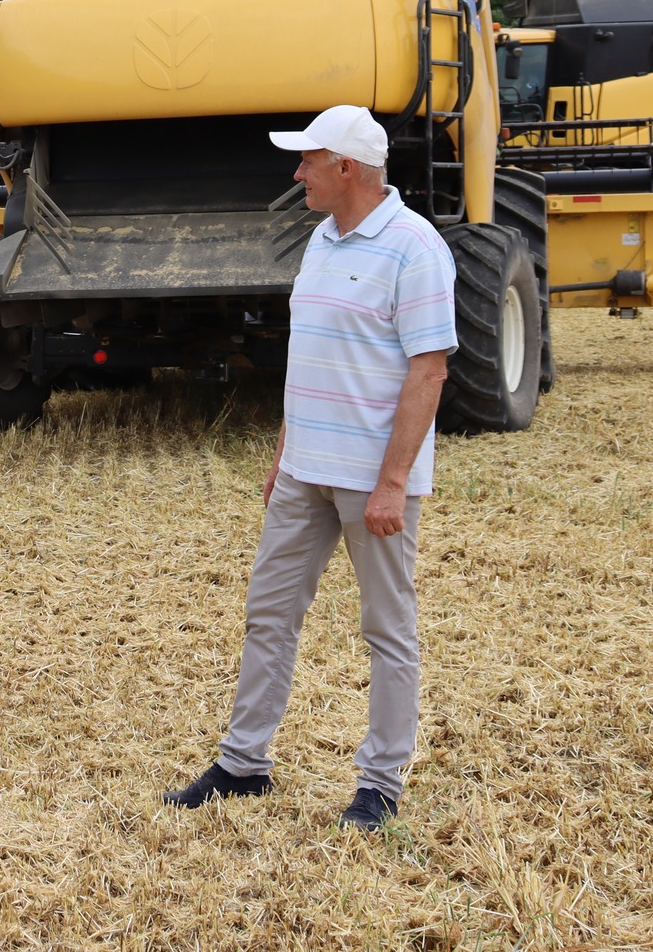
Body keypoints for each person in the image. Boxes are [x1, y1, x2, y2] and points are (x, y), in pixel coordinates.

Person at [163, 104, 456, 831]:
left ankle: (380, 784)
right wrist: (284, 454)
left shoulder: (416, 249)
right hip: (304, 471)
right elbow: (311, 356)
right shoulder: (322, 239)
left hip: (372, 480)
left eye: (308, 161)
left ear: (346, 168)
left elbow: (428, 371)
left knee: (387, 629)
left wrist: (393, 482)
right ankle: (243, 764)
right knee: (269, 614)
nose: (298, 174)